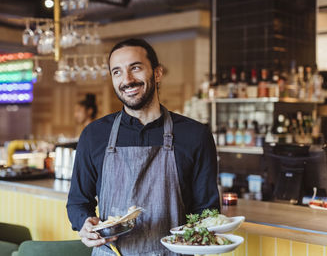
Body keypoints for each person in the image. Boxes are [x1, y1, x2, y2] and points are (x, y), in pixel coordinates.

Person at [67, 38, 219, 255]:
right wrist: (85, 224)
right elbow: (77, 202)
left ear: (157, 73)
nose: (127, 80)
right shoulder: (94, 135)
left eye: (135, 68)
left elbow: (208, 212)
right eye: (117, 72)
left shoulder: (195, 135)